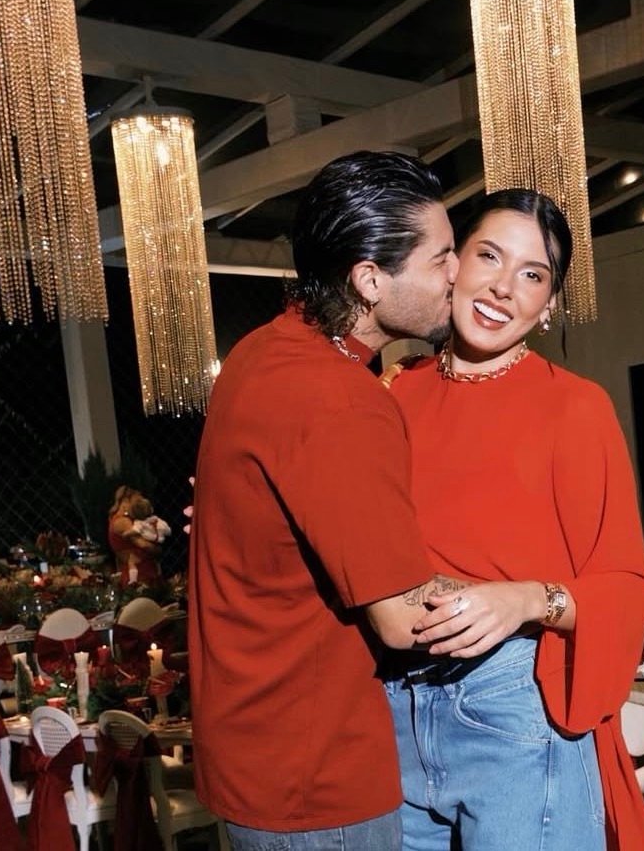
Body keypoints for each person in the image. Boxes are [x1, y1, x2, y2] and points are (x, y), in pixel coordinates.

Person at [187, 151, 480, 851]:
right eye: (441, 258)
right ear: (370, 279)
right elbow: (403, 620)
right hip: (314, 771)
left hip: (254, 749)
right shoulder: (339, 397)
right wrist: (535, 598)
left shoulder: (262, 351)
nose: (458, 274)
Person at [384, 188, 644, 851]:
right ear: (452, 263)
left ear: (549, 304)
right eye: (490, 257)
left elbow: (626, 587)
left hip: (513, 705)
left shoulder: (575, 409)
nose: (504, 288)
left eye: (532, 275)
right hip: (389, 707)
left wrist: (525, 600)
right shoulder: (391, 394)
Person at [107, 485, 164, 584]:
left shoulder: (117, 519)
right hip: (140, 574)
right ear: (125, 501)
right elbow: (143, 544)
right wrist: (157, 549)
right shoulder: (123, 521)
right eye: (136, 502)